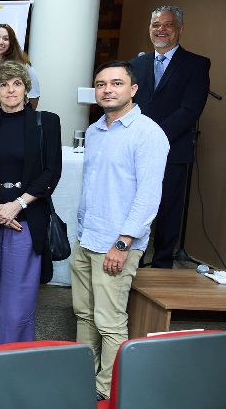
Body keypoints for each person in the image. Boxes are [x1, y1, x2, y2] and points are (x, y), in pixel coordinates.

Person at [74, 61, 168, 401]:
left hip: (116, 243)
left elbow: (148, 195)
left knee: (110, 322)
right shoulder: (98, 130)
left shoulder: (147, 133)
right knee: (84, 315)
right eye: (101, 84)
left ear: (133, 89)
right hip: (87, 239)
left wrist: (124, 242)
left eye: (116, 83)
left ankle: (103, 390)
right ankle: (82, 377)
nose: (107, 90)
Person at [0, 61, 62, 348]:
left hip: (25, 220)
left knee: (17, 302)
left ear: (26, 89)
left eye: (16, 84)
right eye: (3, 84)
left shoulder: (46, 122)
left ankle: (10, 361)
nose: (10, 90)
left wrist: (17, 205)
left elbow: (51, 171)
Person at [130, 6, 210, 269]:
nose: (161, 30)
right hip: (135, 150)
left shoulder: (196, 64)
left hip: (172, 150)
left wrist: (154, 137)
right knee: (134, 206)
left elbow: (190, 109)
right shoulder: (135, 65)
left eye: (168, 25)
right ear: (149, 28)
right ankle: (134, 260)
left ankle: (162, 262)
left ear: (180, 29)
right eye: (156, 25)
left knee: (168, 209)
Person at [0, 24, 41, 110]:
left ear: (11, 43)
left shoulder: (24, 66)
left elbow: (33, 97)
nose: (0, 42)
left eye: (5, 39)